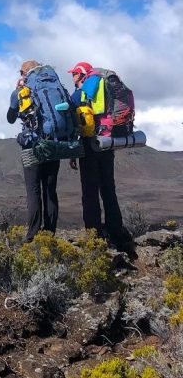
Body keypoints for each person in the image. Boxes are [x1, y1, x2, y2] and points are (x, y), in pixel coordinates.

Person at [67, 61, 135, 254]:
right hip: (108, 140)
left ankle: (94, 235)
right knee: (108, 188)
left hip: (92, 141)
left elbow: (74, 104)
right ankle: (116, 231)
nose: (72, 77)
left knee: (90, 191)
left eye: (74, 74)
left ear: (81, 74)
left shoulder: (89, 83)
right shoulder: (105, 82)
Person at [7, 59, 61, 242]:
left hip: (32, 146)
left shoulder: (22, 91)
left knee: (33, 190)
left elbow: (10, 118)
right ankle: (50, 233)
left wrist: (17, 93)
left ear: (24, 74)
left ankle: (32, 234)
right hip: (54, 143)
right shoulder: (53, 85)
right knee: (50, 189)